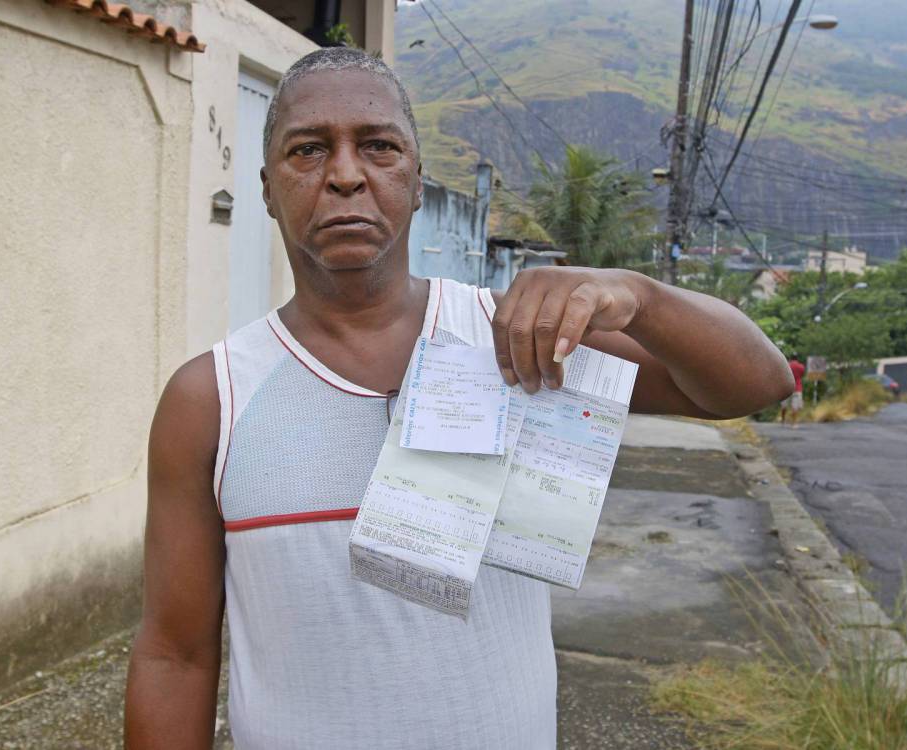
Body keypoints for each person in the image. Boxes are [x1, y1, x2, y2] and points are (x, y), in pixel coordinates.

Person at [123, 47, 793, 750]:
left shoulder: (526, 340)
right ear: (266, 188)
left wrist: (640, 295)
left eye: (379, 147)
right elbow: (175, 654)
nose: (346, 174)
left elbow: (756, 383)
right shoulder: (210, 399)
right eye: (308, 150)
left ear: (416, 182)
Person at [780, 356, 805, 426]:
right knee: (795, 407)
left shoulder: (787, 365)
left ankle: (783, 420)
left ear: (791, 359)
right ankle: (793, 423)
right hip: (797, 388)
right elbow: (802, 375)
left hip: (786, 388)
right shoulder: (801, 367)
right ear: (797, 359)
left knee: (784, 406)